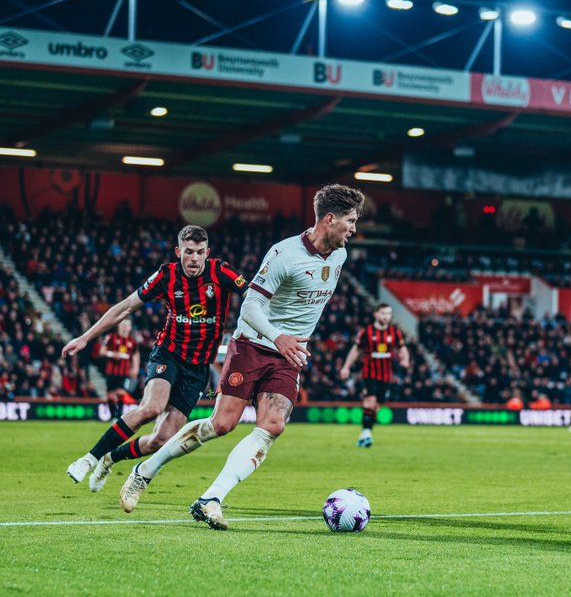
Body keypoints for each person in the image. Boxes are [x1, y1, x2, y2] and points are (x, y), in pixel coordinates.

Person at [118, 184, 364, 530]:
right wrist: (278, 337)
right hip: (253, 345)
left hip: (287, 354)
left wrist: (290, 343)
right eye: (350, 221)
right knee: (222, 425)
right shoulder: (284, 254)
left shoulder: (339, 255)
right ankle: (144, 471)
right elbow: (249, 306)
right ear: (329, 219)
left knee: (273, 425)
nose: (354, 228)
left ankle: (211, 498)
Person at [63, 225, 247, 492]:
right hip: (168, 353)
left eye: (198, 252)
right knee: (152, 407)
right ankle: (88, 459)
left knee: (161, 440)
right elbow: (125, 307)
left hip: (198, 367)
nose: (193, 259)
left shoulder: (222, 272)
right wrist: (85, 337)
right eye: (188, 252)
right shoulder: (165, 275)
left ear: (207, 252)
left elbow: (255, 295)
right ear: (178, 252)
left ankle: (110, 458)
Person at [340, 303, 410, 447]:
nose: (386, 317)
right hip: (369, 373)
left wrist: (405, 360)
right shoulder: (366, 332)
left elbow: (402, 349)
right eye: (383, 313)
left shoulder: (394, 332)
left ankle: (366, 433)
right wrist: (346, 367)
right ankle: (366, 432)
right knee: (370, 401)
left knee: (377, 405)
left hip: (386, 375)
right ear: (376, 314)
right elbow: (355, 350)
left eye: (389, 314)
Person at [100, 318, 140, 420]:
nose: (125, 328)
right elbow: (102, 351)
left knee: (121, 392)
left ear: (130, 327)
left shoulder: (132, 342)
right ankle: (113, 416)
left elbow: (135, 355)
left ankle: (119, 416)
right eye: (123, 325)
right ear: (118, 326)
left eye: (127, 325)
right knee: (110, 396)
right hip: (111, 371)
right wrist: (112, 354)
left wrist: (135, 368)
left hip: (124, 372)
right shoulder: (111, 337)